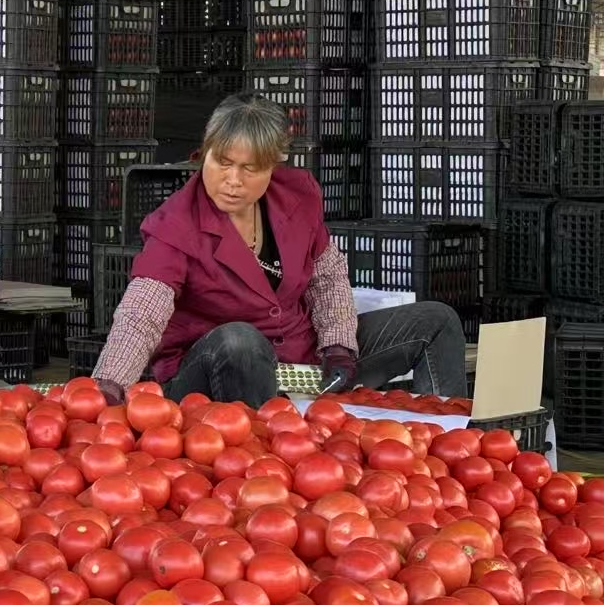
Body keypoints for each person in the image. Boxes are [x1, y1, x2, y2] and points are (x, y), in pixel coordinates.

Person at [93, 93, 466, 409]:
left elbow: (328, 278)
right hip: (213, 372)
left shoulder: (298, 195)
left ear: (273, 166)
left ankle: (447, 446)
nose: (233, 181)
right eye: (222, 162)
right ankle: (257, 457)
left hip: (302, 361)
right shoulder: (175, 225)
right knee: (239, 339)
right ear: (203, 154)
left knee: (437, 320)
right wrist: (108, 388)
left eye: (249, 169)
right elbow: (141, 315)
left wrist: (338, 346)